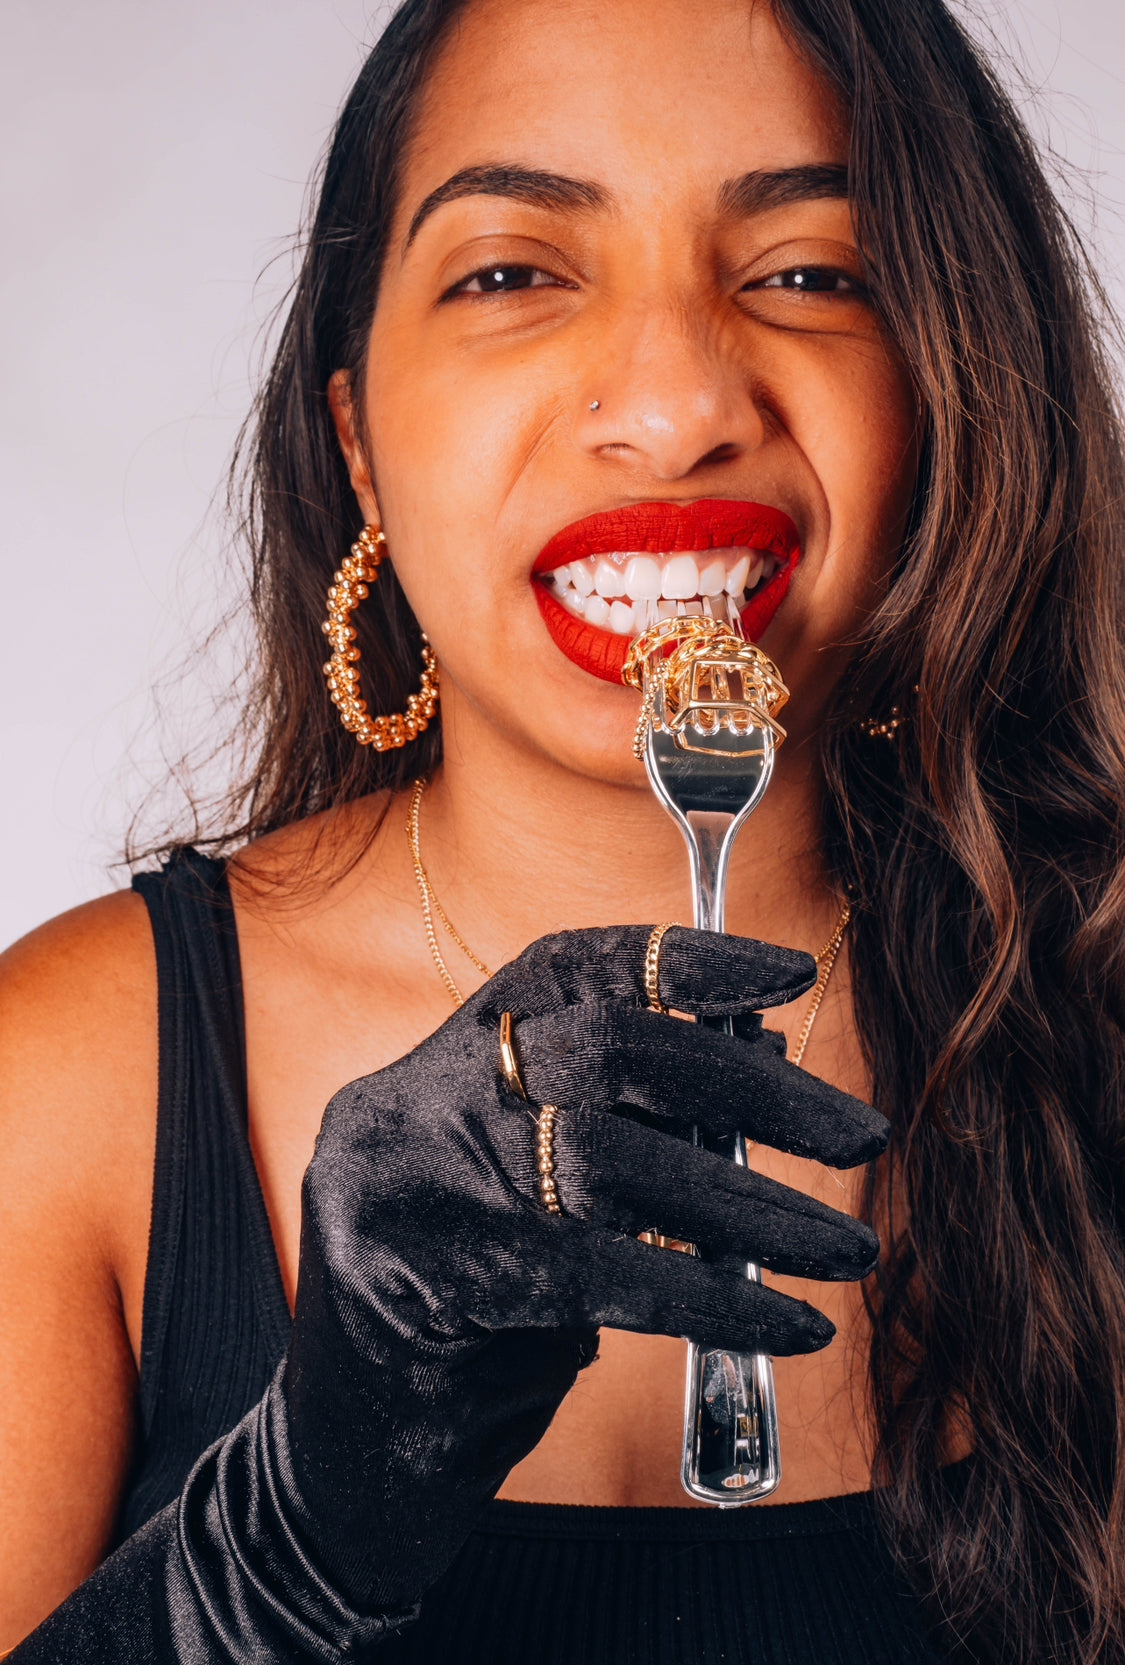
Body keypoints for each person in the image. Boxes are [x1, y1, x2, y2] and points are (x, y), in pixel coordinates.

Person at [3, 0, 1124, 1658]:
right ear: (357, 441)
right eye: (513, 271)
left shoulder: (1094, 1007)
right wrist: (292, 1524)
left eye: (810, 271)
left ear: (952, 399)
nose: (673, 406)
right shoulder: (74, 1080)